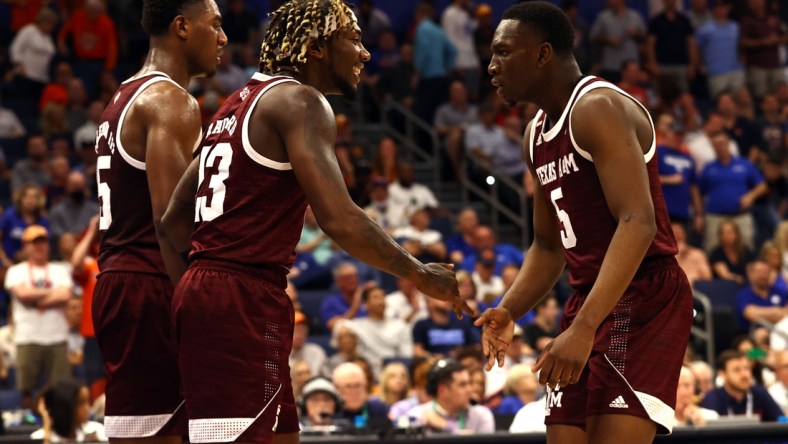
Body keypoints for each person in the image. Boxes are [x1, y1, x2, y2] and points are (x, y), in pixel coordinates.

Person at [161, 1, 470, 443]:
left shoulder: (233, 106)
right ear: (318, 47)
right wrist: (420, 274)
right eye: (354, 39)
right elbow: (340, 219)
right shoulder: (300, 100)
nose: (364, 54)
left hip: (222, 293)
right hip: (239, 296)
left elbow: (173, 221)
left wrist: (193, 297)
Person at [476, 3, 694, 443]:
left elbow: (638, 221)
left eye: (503, 52)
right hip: (590, 299)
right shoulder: (534, 134)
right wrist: (510, 309)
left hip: (642, 292)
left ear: (542, 54)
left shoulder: (597, 108)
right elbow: (548, 245)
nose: (492, 66)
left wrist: (583, 327)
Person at [92, 0, 226, 441]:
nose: (224, 38)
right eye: (215, 25)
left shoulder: (123, 96)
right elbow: (173, 224)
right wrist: (204, 311)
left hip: (122, 280)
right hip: (152, 284)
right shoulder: (171, 100)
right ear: (182, 26)